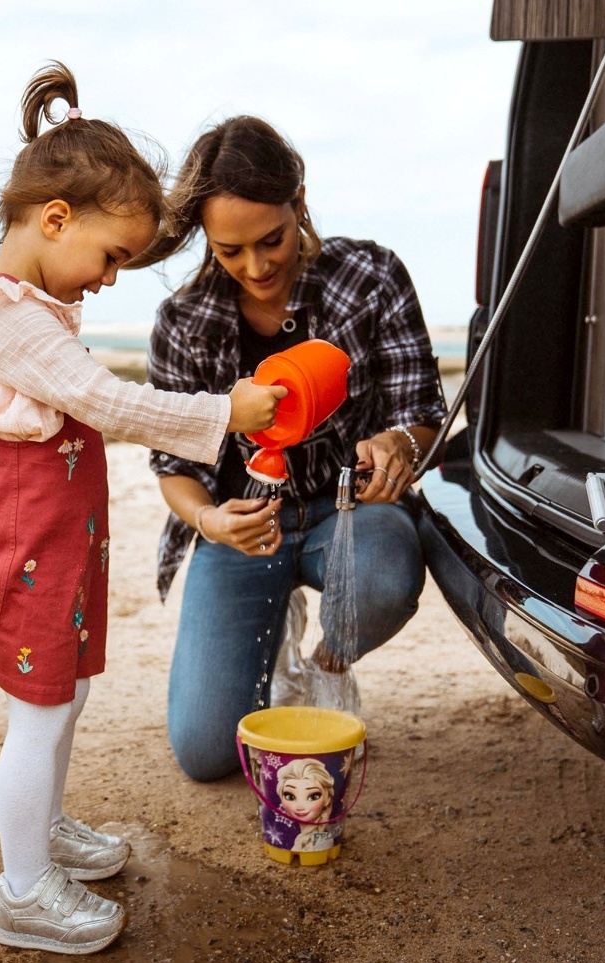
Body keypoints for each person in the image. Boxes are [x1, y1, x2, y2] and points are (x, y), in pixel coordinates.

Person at [0, 64, 284, 956]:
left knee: (66, 691)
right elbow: (105, 402)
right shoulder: (5, 319)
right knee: (40, 710)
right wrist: (222, 413)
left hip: (57, 544)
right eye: (112, 256)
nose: (112, 279)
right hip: (23, 550)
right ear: (55, 220)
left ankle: (41, 833)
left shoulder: (32, 311)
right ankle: (22, 892)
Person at [141, 116, 447, 781]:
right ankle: (272, 622)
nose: (256, 267)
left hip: (353, 514)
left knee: (384, 581)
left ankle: (324, 663)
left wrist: (396, 443)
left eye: (271, 240)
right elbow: (173, 468)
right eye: (229, 250)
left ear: (298, 203)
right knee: (206, 753)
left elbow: (421, 413)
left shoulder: (370, 276)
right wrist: (209, 521)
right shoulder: (183, 322)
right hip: (244, 528)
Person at [275, 757, 336, 854]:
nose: (300, 807)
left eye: (313, 796)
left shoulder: (322, 840)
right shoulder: (300, 838)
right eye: (290, 796)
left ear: (327, 799)